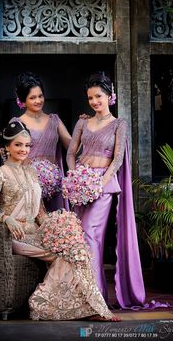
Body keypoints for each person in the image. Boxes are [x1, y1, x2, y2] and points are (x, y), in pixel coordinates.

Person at [0, 120, 121, 321]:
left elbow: (40, 213)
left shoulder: (31, 171)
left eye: (27, 145)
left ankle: (87, 308)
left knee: (77, 248)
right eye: (18, 145)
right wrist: (6, 219)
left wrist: (60, 227)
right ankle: (45, 304)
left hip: (37, 232)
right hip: (16, 236)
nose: (24, 149)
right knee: (68, 255)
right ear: (6, 147)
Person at [66, 71, 146, 309]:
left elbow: (118, 159)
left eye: (98, 96)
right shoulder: (82, 122)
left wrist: (99, 184)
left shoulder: (118, 124)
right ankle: (77, 295)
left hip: (103, 186)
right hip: (80, 183)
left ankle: (95, 296)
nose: (94, 102)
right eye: (90, 97)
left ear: (110, 96)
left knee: (91, 235)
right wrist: (74, 176)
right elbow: (71, 153)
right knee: (76, 237)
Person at [9, 71, 71, 212]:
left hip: (54, 185)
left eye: (40, 96)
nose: (38, 100)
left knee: (56, 228)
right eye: (32, 97)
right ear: (23, 100)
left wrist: (83, 127)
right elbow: (11, 157)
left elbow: (71, 145)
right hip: (27, 185)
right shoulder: (17, 123)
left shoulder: (54, 120)